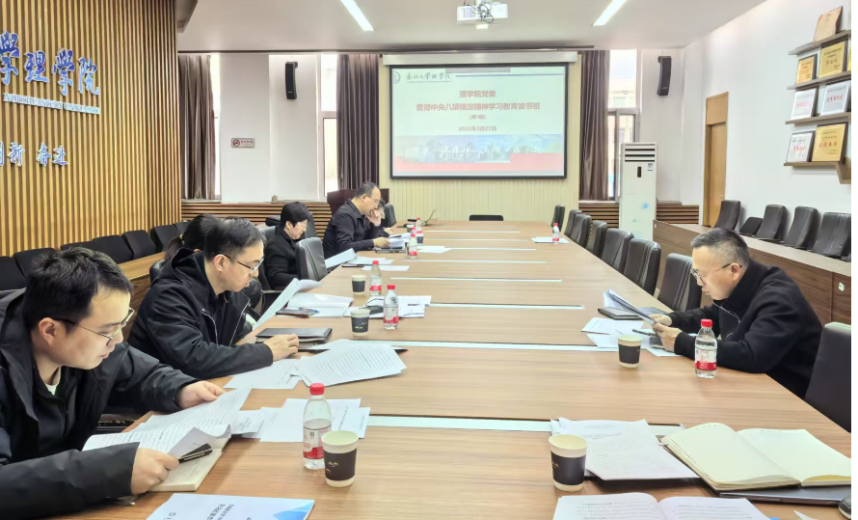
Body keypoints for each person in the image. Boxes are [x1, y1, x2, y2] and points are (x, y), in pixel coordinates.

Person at [0, 248, 224, 520]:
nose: (117, 340)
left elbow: (141, 372)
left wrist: (180, 389)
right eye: (106, 331)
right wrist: (108, 471)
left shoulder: (84, 344)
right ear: (50, 330)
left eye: (121, 325)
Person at [651, 228, 822, 398]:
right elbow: (713, 315)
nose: (699, 282)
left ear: (733, 270)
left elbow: (753, 356)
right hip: (751, 385)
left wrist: (682, 342)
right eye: (696, 273)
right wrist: (672, 320)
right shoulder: (742, 284)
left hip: (785, 397)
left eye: (702, 275)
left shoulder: (779, 300)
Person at [129, 217, 299, 379]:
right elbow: (193, 359)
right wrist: (266, 352)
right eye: (251, 266)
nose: (255, 274)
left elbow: (237, 338)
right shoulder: (169, 296)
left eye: (258, 265)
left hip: (204, 384)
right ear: (221, 263)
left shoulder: (228, 287)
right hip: (162, 395)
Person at [322, 182, 389, 258]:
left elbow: (368, 241)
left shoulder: (361, 215)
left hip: (352, 259)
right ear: (364, 198)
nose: (376, 206)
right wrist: (373, 242)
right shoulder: (345, 215)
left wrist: (375, 224)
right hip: (337, 263)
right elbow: (344, 247)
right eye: (375, 201)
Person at [264, 202, 312, 290]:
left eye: (305, 225)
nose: (305, 229)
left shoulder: (296, 237)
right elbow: (276, 277)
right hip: (290, 291)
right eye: (302, 225)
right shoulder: (276, 245)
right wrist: (306, 278)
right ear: (289, 224)